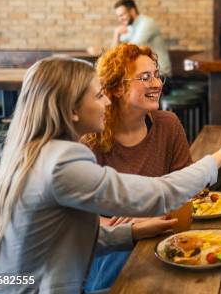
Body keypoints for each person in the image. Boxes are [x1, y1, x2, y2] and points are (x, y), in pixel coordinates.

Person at [0, 57, 221, 293]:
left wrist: (132, 232)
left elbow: (63, 238)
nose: (107, 103)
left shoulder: (32, 152)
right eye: (99, 95)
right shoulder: (62, 161)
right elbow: (160, 193)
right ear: (72, 110)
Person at [82, 44, 192, 291]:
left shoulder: (168, 125)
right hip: (108, 254)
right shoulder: (90, 137)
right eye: (145, 77)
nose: (157, 84)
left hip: (164, 241)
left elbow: (187, 192)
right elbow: (78, 219)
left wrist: (149, 214)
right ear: (118, 88)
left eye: (156, 75)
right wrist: (127, 227)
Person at [112, 0, 172, 77]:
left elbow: (131, 49)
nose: (120, 19)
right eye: (118, 16)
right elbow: (114, 53)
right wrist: (116, 34)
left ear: (132, 11)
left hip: (160, 75)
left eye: (122, 15)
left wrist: (117, 33)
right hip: (145, 74)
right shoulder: (130, 27)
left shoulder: (147, 23)